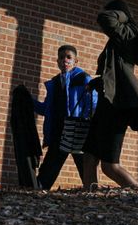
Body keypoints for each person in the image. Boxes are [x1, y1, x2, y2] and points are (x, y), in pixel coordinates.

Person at [80, 0, 138, 189]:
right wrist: (97, 82)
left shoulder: (127, 33)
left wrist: (122, 15)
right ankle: (90, 197)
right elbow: (117, 71)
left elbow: (104, 18)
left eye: (112, 11)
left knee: (110, 165)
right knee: (89, 155)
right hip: (108, 102)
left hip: (117, 106)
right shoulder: (121, 37)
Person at [34, 44, 97, 190]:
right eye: (61, 57)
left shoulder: (83, 79)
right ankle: (39, 191)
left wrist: (87, 121)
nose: (65, 60)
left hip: (78, 130)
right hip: (58, 131)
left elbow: (93, 103)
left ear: (76, 61)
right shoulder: (55, 83)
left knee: (84, 166)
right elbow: (47, 109)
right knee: (49, 167)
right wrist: (29, 102)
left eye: (69, 57)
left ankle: (93, 194)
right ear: (57, 61)